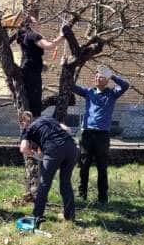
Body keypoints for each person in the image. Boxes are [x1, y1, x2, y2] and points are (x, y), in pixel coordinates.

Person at [74, 66, 129, 203]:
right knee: (84, 165)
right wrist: (68, 68)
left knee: (102, 166)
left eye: (101, 77)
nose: (97, 78)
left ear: (107, 80)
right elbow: (72, 87)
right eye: (96, 76)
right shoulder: (88, 92)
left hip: (102, 135)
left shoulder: (112, 93)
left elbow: (126, 85)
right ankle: (82, 195)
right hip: (87, 133)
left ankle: (103, 198)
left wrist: (112, 75)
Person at [19, 111, 79, 225]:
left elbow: (23, 149)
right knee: (65, 182)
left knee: (44, 183)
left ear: (23, 123)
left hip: (54, 150)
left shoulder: (28, 129)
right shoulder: (47, 118)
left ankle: (38, 216)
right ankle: (70, 216)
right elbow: (67, 129)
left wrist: (34, 155)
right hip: (72, 148)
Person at [16, 16, 64, 117]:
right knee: (34, 104)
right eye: (36, 22)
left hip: (28, 70)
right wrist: (62, 36)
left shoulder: (25, 36)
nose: (38, 24)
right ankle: (33, 124)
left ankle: (29, 124)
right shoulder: (32, 35)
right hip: (31, 73)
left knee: (28, 102)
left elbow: (32, 53)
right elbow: (49, 46)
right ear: (30, 24)